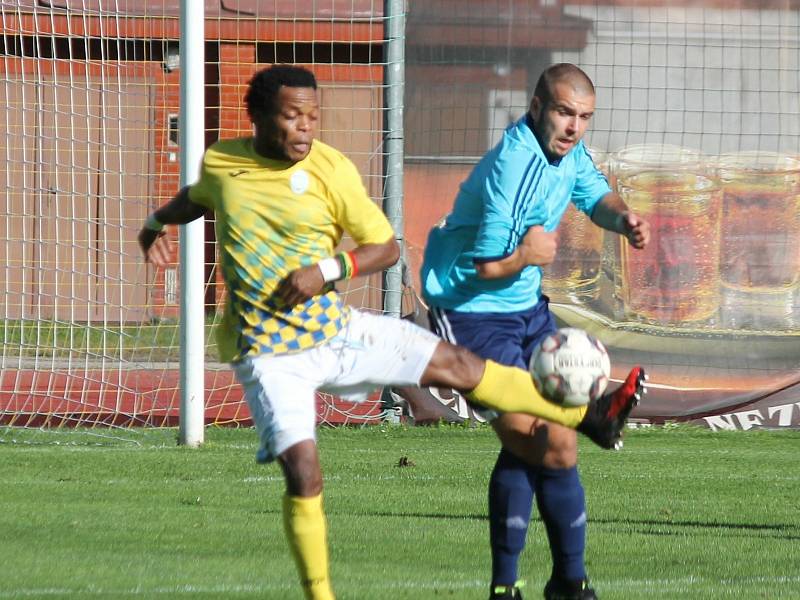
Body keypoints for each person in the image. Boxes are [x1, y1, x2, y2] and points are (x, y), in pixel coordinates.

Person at [138, 64, 644, 600]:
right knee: (509, 439)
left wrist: (327, 271)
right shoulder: (513, 167)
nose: (306, 128)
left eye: (313, 116)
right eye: (293, 117)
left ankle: (567, 567)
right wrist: (154, 225)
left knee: (524, 422)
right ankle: (474, 583)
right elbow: (201, 194)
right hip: (358, 334)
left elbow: (387, 246)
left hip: (378, 326)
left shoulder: (331, 168)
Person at [420, 63, 651, 600]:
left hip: (526, 311)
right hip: (472, 312)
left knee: (555, 443)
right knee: (534, 440)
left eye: (584, 117)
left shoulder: (566, 156)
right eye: (565, 113)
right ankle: (522, 586)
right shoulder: (515, 163)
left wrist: (626, 219)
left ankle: (563, 583)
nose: (574, 126)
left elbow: (596, 197)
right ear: (537, 108)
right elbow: (485, 266)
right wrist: (526, 254)